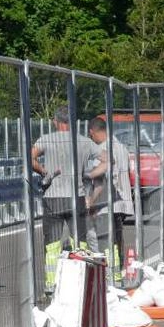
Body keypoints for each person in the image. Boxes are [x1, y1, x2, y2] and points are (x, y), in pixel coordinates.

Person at [31, 105, 100, 291]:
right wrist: (90, 176)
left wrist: (44, 171)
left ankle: (52, 284)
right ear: (72, 122)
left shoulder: (47, 139)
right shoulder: (84, 142)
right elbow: (105, 158)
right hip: (76, 196)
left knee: (52, 243)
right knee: (80, 241)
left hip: (53, 197)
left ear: (55, 121)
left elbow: (30, 158)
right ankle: (81, 281)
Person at [86, 116, 134, 281]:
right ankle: (117, 272)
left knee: (106, 240)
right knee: (117, 237)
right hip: (123, 202)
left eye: (91, 135)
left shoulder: (102, 151)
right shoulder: (122, 148)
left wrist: (90, 202)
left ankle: (110, 274)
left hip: (106, 203)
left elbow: (100, 180)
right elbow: (129, 172)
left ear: (93, 132)